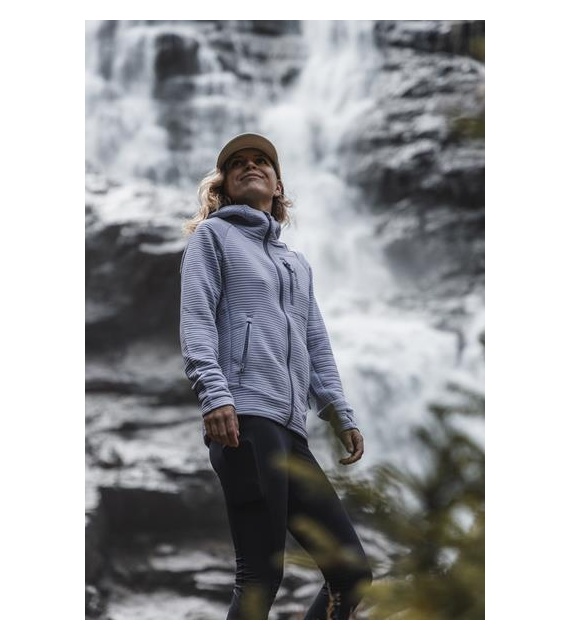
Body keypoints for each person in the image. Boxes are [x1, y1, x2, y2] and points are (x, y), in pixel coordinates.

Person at [179, 132, 373, 620]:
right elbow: (196, 320)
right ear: (223, 185)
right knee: (261, 575)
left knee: (351, 572)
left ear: (278, 185)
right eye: (237, 163)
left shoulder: (296, 264)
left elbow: (315, 344)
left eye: (261, 160)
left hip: (290, 431)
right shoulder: (212, 237)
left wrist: (340, 413)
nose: (250, 165)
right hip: (243, 419)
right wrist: (214, 395)